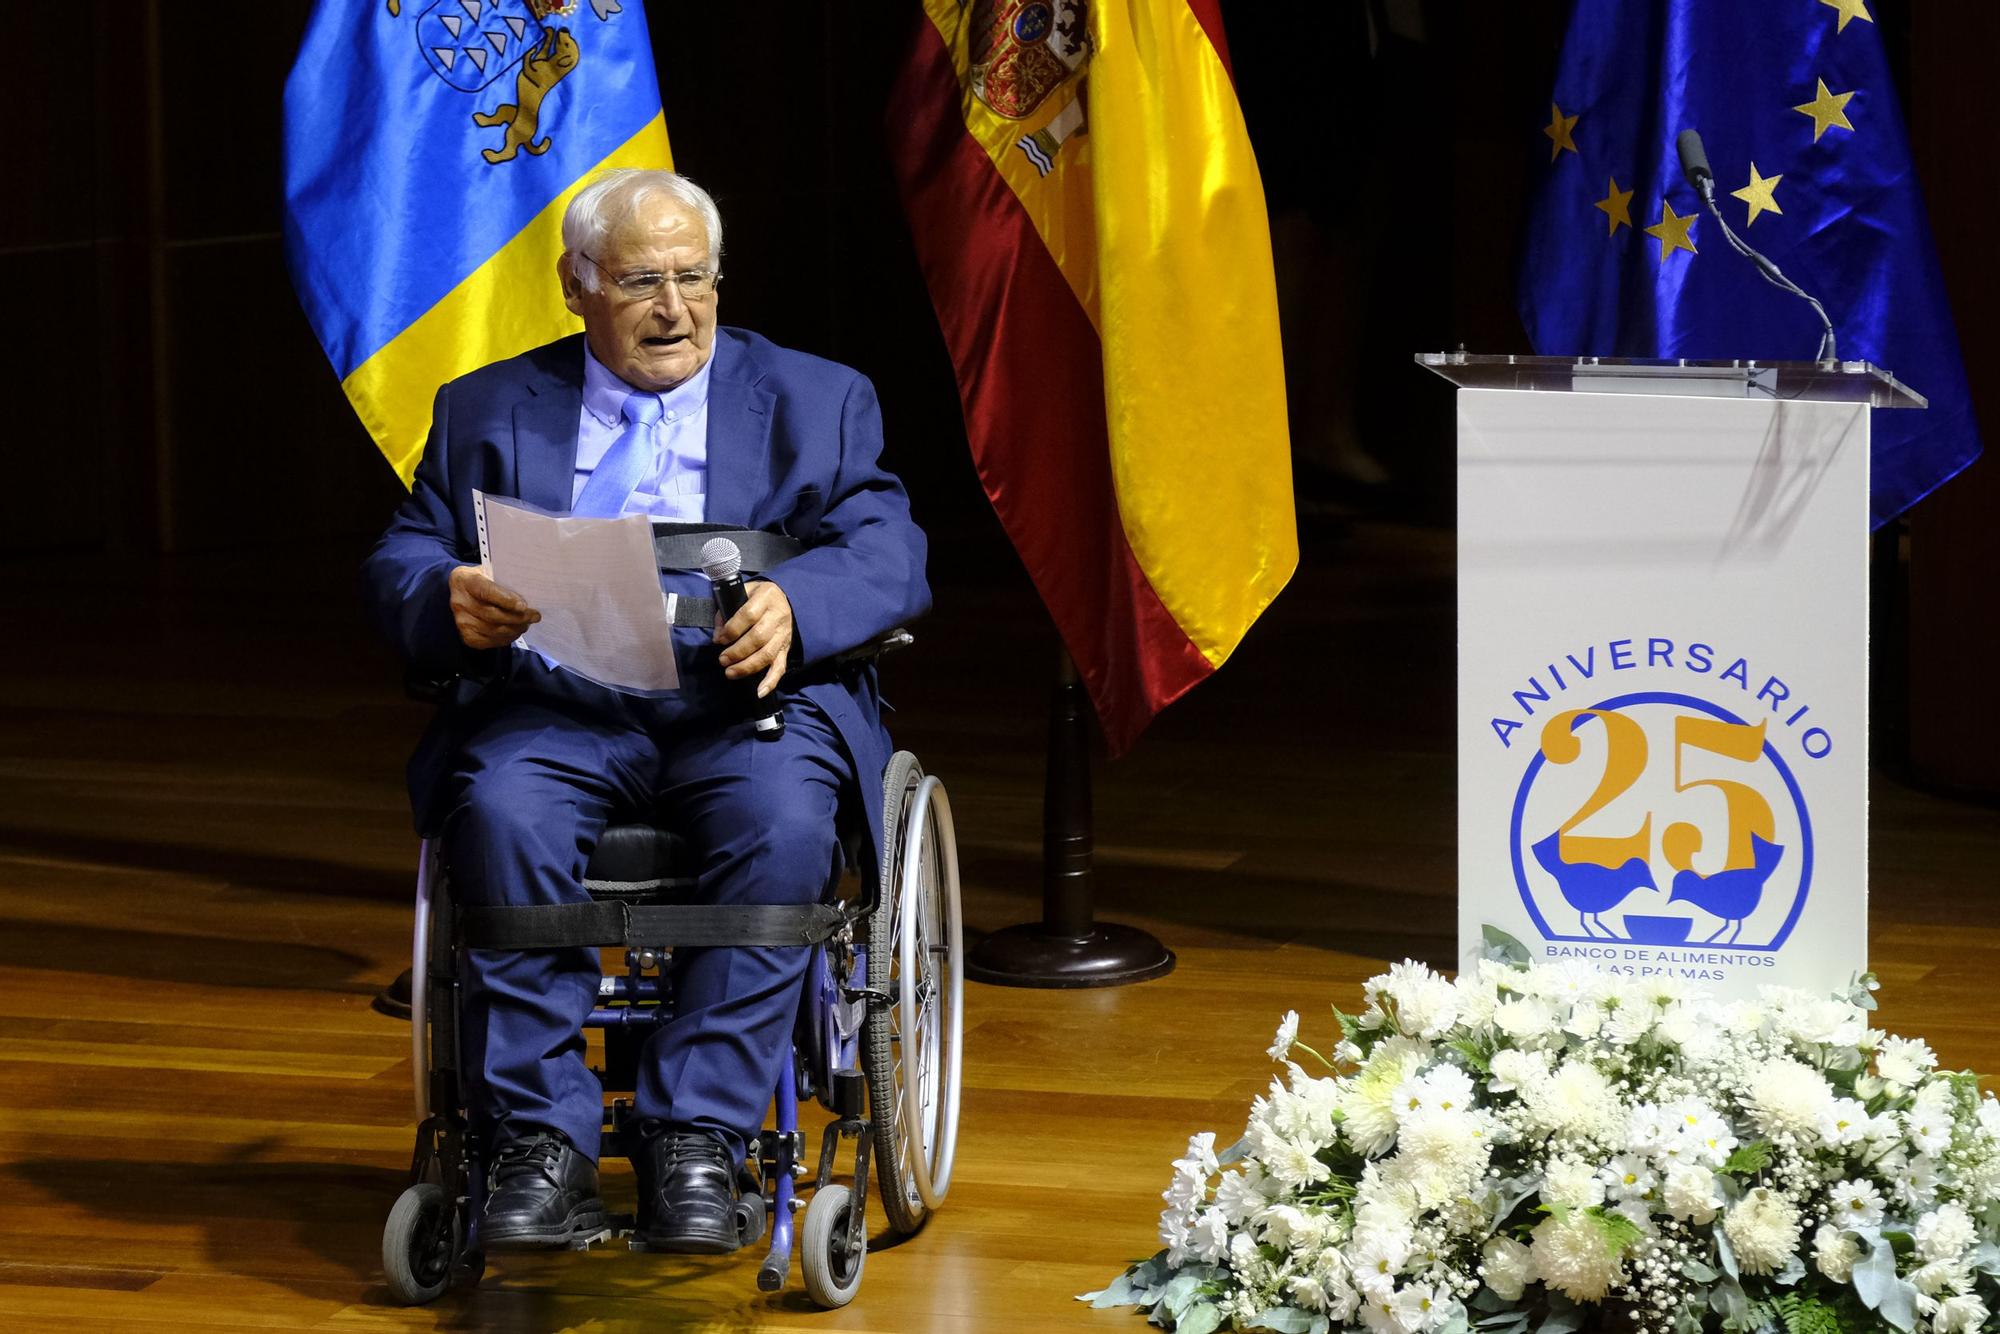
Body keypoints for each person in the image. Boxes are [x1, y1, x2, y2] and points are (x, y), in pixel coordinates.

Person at [361, 169, 929, 1253]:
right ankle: (536, 1139)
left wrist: (797, 605)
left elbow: (887, 546)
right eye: (639, 281)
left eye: (693, 276)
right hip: (559, 700)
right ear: (576, 285)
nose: (674, 306)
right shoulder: (485, 405)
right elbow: (404, 549)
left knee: (785, 828)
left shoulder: (819, 397)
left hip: (745, 703)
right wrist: (442, 596)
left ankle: (700, 1135)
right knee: (500, 814)